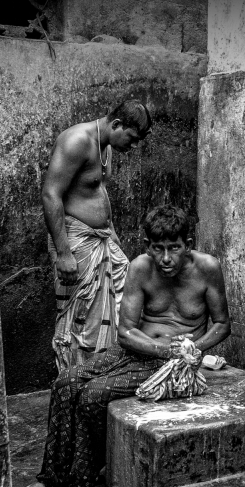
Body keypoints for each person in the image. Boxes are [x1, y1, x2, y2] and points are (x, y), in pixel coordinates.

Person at [31, 205, 231, 487]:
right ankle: (51, 476)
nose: (165, 258)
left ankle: (90, 470)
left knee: (93, 396)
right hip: (138, 350)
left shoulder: (207, 268)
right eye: (158, 249)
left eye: (173, 248)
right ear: (148, 247)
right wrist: (164, 349)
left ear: (187, 246)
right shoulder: (140, 267)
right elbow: (125, 332)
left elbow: (223, 324)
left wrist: (193, 350)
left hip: (173, 367)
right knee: (65, 382)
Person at [42, 99, 153, 371]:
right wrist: (64, 252)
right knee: (81, 318)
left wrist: (112, 232)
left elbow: (98, 191)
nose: (134, 146)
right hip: (75, 240)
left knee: (125, 293)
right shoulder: (77, 141)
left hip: (101, 237)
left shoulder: (106, 146)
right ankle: (74, 379)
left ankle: (103, 374)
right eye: (133, 138)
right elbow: (50, 194)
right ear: (116, 125)